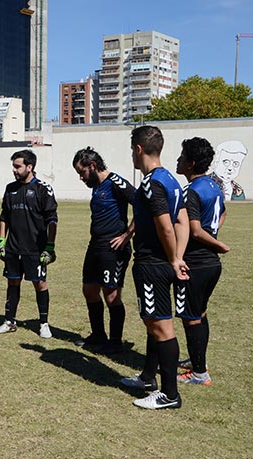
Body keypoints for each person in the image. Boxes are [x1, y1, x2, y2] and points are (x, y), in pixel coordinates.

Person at [120, 125, 189, 410]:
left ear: (138, 149)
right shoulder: (171, 180)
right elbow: (182, 221)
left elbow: (165, 225)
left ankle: (169, 395)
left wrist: (173, 258)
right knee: (153, 322)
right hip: (162, 262)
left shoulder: (151, 183)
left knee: (161, 325)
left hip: (153, 264)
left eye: (132, 150)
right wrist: (179, 256)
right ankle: (148, 378)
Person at [174, 137, 229, 386]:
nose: (178, 160)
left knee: (190, 316)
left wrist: (216, 243)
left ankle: (199, 373)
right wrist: (214, 232)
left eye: (182, 157)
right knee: (200, 313)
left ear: (191, 163)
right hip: (210, 266)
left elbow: (194, 230)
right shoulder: (214, 186)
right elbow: (223, 213)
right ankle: (198, 361)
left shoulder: (191, 191)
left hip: (196, 262)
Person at [72, 147, 135, 354]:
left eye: (82, 173)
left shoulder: (116, 182)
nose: (81, 178)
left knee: (111, 294)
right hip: (95, 245)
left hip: (113, 248)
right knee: (89, 290)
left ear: (92, 166)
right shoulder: (96, 186)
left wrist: (127, 235)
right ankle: (98, 334)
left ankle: (115, 342)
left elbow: (142, 205)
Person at [0, 150, 58, 338]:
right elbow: (3, 217)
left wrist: (50, 247)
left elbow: (52, 220)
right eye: (13, 166)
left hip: (35, 249)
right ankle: (9, 321)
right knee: (13, 281)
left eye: (17, 166)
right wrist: (1, 242)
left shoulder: (43, 189)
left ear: (30, 167)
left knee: (40, 284)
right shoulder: (10, 188)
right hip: (13, 247)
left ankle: (44, 323)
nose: (14, 169)